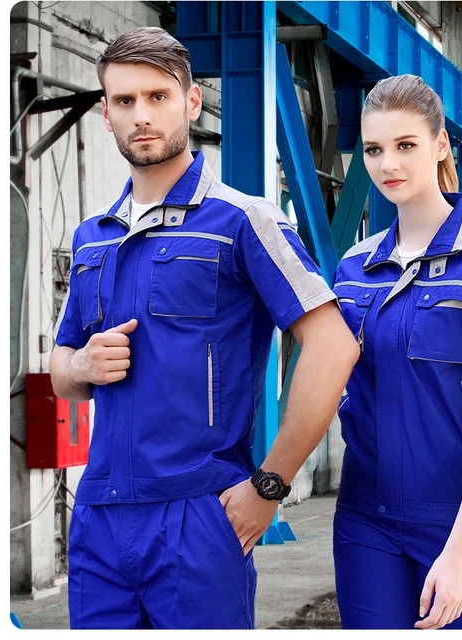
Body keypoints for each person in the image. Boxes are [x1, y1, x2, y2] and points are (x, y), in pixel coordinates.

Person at [49, 27, 360, 630]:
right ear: (106, 113)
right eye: (124, 101)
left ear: (191, 102)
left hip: (199, 516)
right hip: (100, 516)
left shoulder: (243, 222)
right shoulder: (94, 236)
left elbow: (333, 345)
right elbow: (61, 369)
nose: (142, 115)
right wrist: (83, 366)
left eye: (158, 97)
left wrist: (269, 486)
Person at [332, 74, 462, 630]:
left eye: (406, 145)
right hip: (365, 520)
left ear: (441, 144)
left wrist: (456, 554)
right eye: (374, 150)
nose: (387, 165)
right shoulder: (354, 269)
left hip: (459, 522)